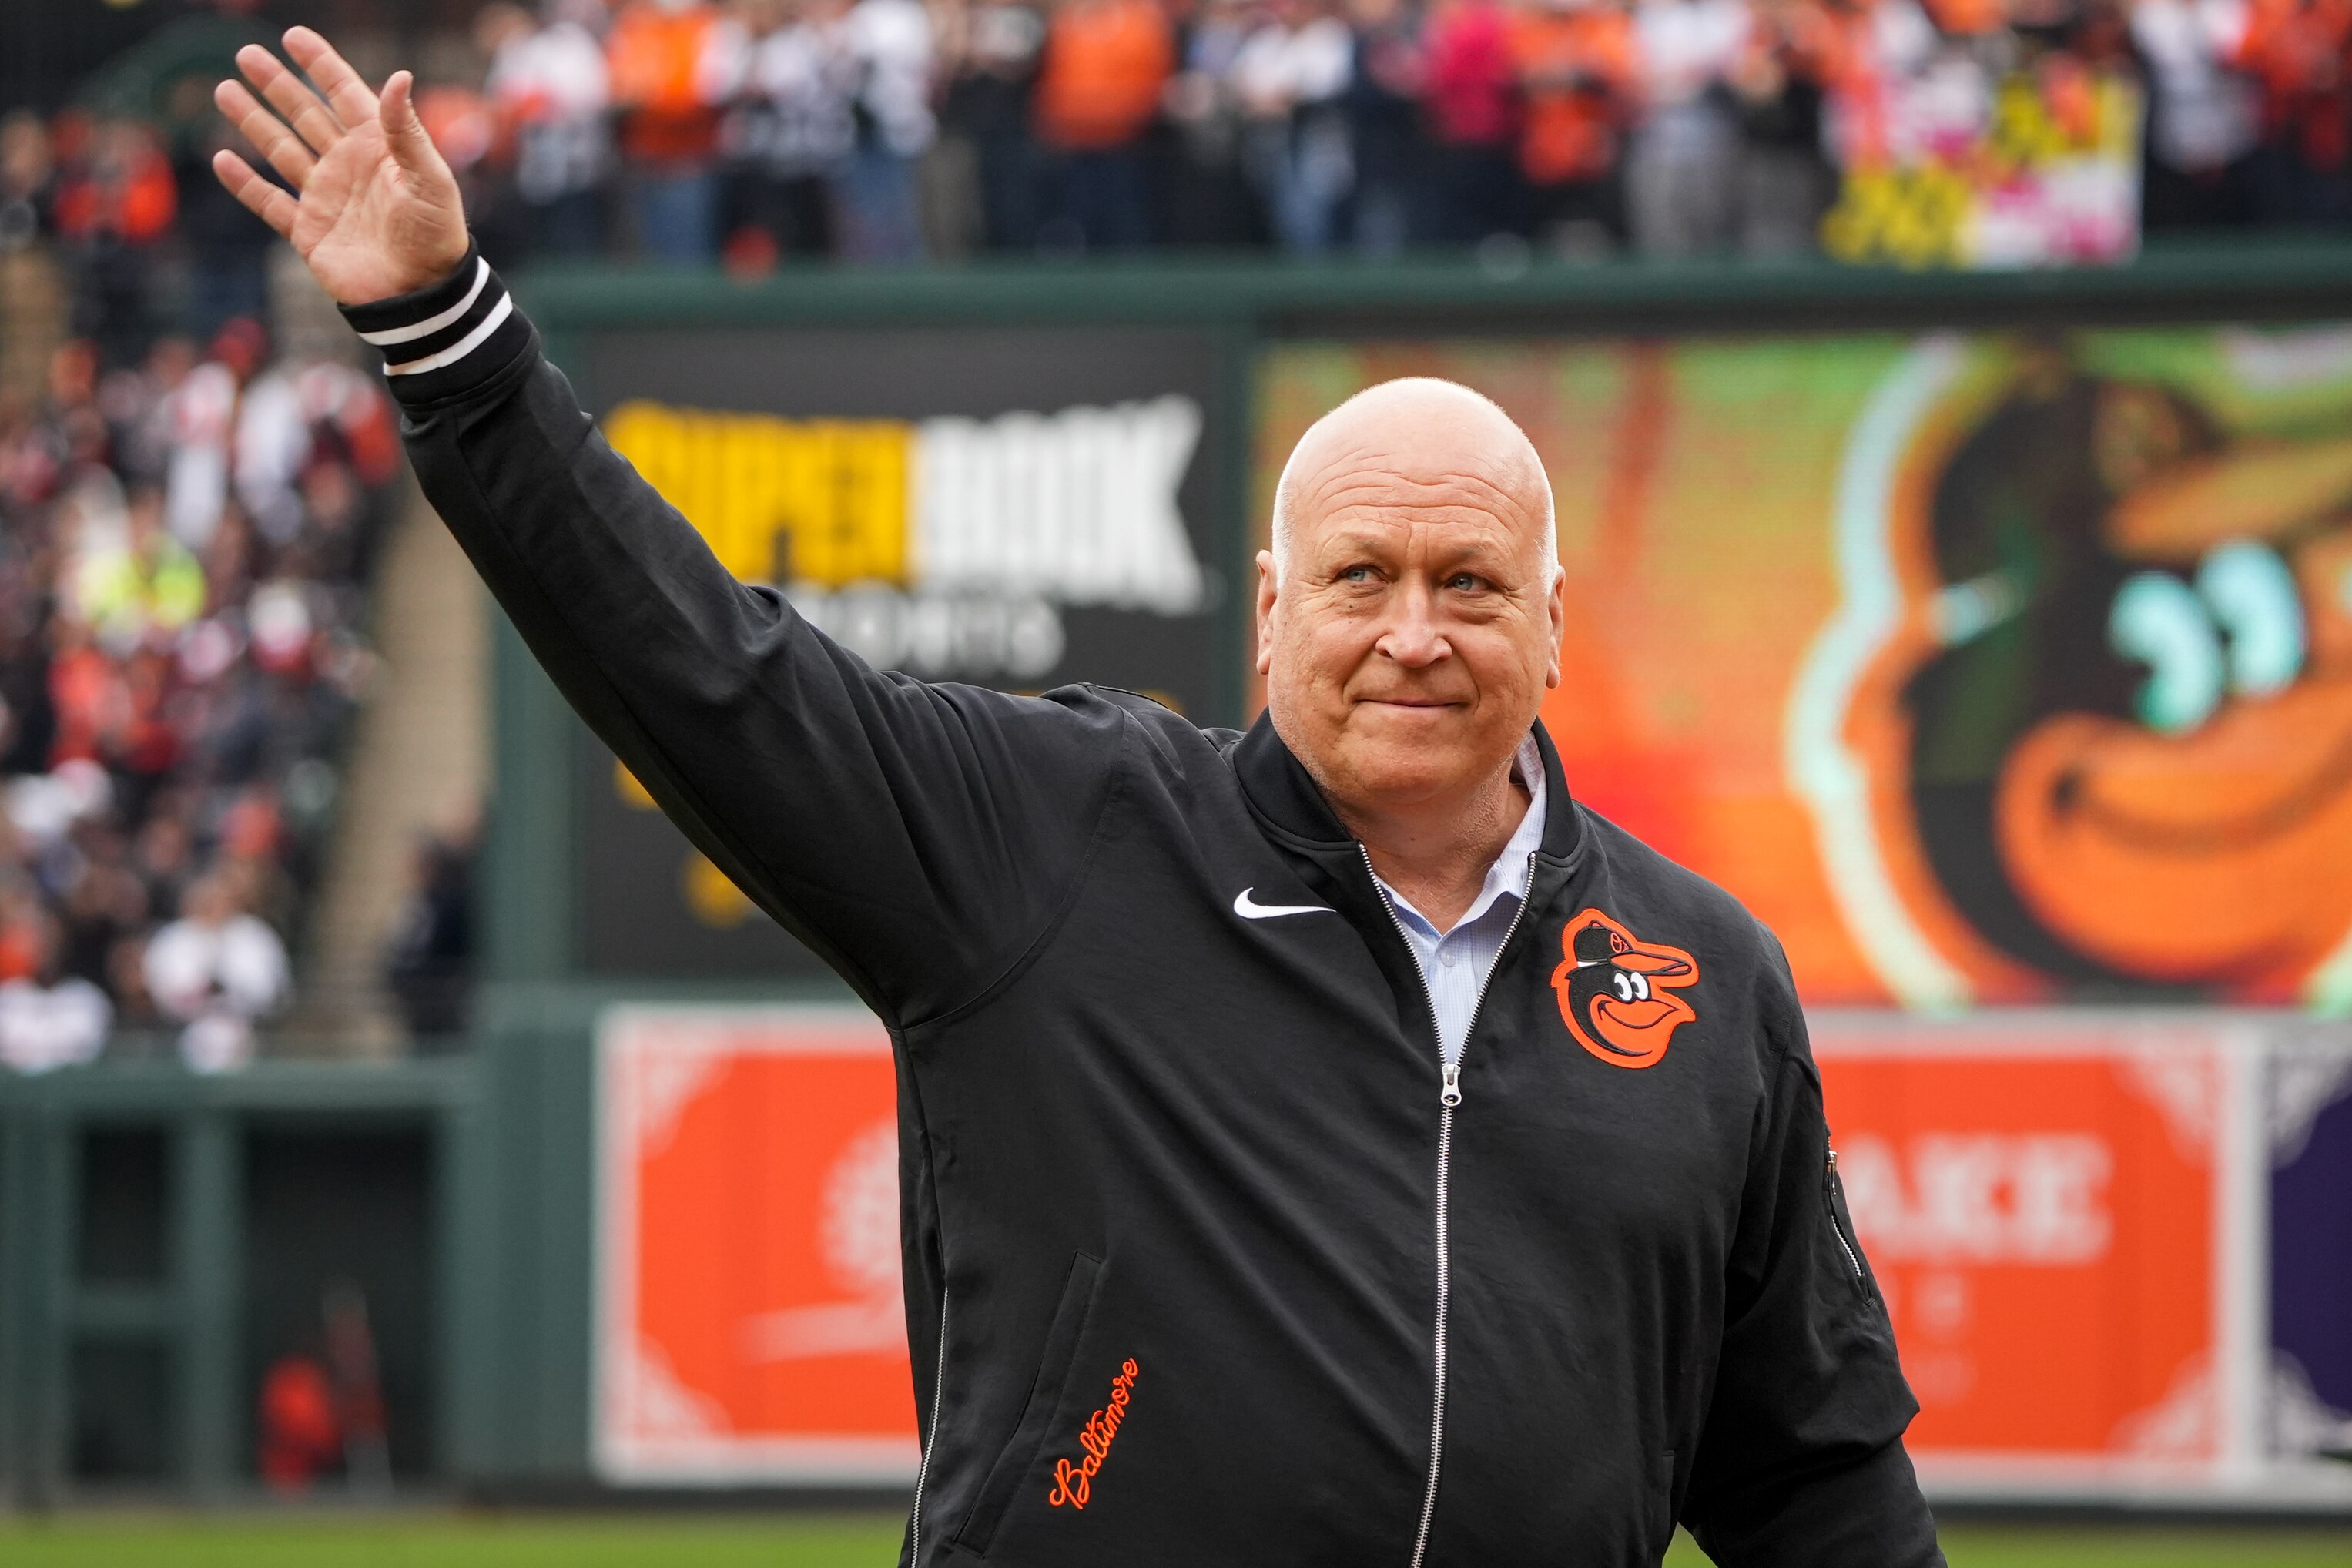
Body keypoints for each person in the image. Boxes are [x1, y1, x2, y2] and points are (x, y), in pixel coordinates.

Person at [211, 27, 1947, 1563]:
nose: (1412, 635)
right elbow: (711, 682)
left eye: (1470, 585)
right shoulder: (1062, 834)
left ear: (1553, 625)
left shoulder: (1706, 980)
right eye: (1359, 577)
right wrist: (453, 341)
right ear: (1270, 613)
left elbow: (1814, 1474)